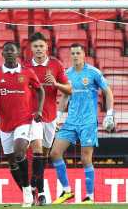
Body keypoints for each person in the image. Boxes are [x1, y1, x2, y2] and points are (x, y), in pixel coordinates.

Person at [50, 43, 115, 204]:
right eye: (72, 53)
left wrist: (109, 114)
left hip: (88, 122)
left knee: (85, 159)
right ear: (70, 55)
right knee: (55, 153)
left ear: (83, 54)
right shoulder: (67, 74)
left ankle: (90, 197)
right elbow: (65, 96)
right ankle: (66, 191)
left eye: (78, 52)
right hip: (71, 121)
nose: (75, 55)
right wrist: (58, 116)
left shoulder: (93, 72)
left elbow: (107, 91)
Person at [0, 42, 45, 207]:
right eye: (6, 50)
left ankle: (28, 191)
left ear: (17, 53)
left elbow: (40, 90)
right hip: (5, 123)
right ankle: (26, 190)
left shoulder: (27, 72)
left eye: (12, 50)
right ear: (2, 54)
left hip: (25, 120)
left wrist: (38, 110)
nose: (9, 53)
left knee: (19, 152)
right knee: (12, 161)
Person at [23, 32, 71, 205]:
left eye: (41, 46)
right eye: (35, 46)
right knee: (36, 152)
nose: (38, 49)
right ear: (30, 48)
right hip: (33, 115)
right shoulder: (25, 66)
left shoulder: (56, 65)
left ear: (46, 47)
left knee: (42, 156)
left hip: (50, 117)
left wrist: (55, 84)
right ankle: (41, 193)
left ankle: (35, 186)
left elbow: (69, 90)